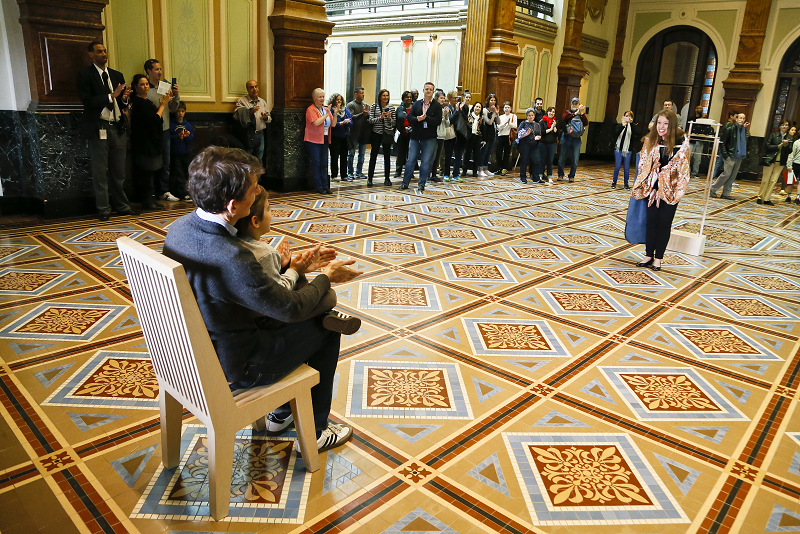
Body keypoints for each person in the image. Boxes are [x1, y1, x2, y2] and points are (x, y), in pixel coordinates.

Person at [163, 146, 362, 452]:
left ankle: (282, 413)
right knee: (327, 328)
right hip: (236, 368)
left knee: (310, 309)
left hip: (184, 357)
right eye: (253, 190)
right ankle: (317, 430)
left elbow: (244, 292)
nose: (258, 191)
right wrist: (326, 277)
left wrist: (291, 268)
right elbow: (289, 309)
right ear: (232, 206)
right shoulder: (231, 256)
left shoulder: (179, 229)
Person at [233, 187, 361, 334]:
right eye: (268, 209)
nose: (272, 214)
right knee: (328, 297)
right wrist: (294, 269)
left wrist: (286, 265)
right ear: (255, 221)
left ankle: (324, 317)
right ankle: (325, 316)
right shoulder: (264, 252)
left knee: (302, 282)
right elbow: (280, 295)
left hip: (253, 311)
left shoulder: (237, 243)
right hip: (268, 319)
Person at [76, 41, 137, 221]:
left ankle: (122, 206)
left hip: (117, 127)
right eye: (99, 51)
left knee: (119, 172)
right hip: (99, 128)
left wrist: (124, 99)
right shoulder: (85, 75)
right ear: (91, 54)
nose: (104, 54)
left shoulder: (116, 75)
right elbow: (87, 101)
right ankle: (104, 209)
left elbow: (121, 102)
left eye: (105, 51)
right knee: (100, 171)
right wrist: (111, 95)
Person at [632, 110, 690, 271]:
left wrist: (664, 187)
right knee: (651, 222)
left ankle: (658, 258)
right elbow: (644, 165)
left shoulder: (681, 143)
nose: (661, 127)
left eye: (665, 123)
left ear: (671, 125)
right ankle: (648, 254)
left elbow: (681, 171)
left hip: (670, 192)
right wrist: (651, 187)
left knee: (664, 224)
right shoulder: (651, 141)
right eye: (659, 123)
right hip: (652, 190)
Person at [130, 74, 171, 210]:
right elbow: (154, 120)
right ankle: (147, 200)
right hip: (144, 143)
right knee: (146, 173)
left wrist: (160, 106)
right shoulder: (138, 102)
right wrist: (162, 106)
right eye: (142, 84)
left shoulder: (146, 101)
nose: (145, 86)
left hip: (151, 142)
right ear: (135, 87)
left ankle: (151, 199)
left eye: (147, 84)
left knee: (151, 172)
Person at [144, 58, 181, 202]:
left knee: (166, 162)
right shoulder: (145, 87)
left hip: (165, 129)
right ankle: (151, 192)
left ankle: (164, 191)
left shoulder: (165, 85)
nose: (160, 72)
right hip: (150, 131)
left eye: (160, 69)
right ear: (149, 71)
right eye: (156, 69)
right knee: (152, 162)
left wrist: (176, 95)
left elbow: (173, 108)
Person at [401, 82, 442, 192]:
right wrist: (418, 119)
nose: (428, 91)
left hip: (429, 138)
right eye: (426, 89)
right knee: (410, 160)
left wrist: (426, 118)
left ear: (433, 92)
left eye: (430, 89)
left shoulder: (437, 106)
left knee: (425, 161)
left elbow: (438, 121)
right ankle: (405, 183)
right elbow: (410, 117)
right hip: (415, 137)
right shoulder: (417, 104)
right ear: (423, 90)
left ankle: (421, 184)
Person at [305, 88, 338, 194]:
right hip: (313, 139)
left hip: (324, 138)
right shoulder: (311, 109)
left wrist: (335, 114)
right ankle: (319, 186)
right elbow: (316, 123)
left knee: (324, 163)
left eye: (323, 96)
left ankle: (326, 186)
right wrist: (326, 115)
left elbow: (333, 124)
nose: (322, 99)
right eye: (320, 97)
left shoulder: (325, 109)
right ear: (314, 98)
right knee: (316, 163)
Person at [710, 112, 749, 200]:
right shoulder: (730, 128)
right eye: (740, 118)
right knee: (726, 174)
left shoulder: (743, 130)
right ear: (736, 119)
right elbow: (722, 142)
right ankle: (713, 189)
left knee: (733, 176)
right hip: (730, 155)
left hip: (739, 155)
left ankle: (726, 193)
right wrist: (725, 155)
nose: (741, 120)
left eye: (743, 118)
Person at [235, 80, 271, 163]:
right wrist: (250, 111)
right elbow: (236, 116)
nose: (254, 89)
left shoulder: (262, 102)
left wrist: (266, 118)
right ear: (247, 89)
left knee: (259, 159)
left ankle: (258, 176)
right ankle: (249, 176)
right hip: (249, 134)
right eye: (251, 87)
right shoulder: (242, 101)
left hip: (261, 134)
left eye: (256, 86)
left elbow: (269, 119)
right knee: (248, 159)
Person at [758, 120, 791, 206]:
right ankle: (760, 196)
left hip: (781, 162)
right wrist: (778, 146)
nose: (784, 126)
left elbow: (790, 150)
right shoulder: (773, 135)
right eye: (783, 124)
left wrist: (786, 145)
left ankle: (767, 198)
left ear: (788, 127)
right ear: (780, 126)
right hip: (770, 159)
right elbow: (767, 146)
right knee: (765, 179)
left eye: (786, 125)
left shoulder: (789, 137)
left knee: (773, 181)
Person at [367, 89, 395, 187]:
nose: (385, 97)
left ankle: (387, 178)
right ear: (379, 97)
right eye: (383, 95)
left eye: (387, 95)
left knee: (387, 157)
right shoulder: (374, 106)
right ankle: (370, 178)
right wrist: (380, 118)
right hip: (376, 134)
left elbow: (393, 123)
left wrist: (389, 118)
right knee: (373, 156)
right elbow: (370, 120)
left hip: (387, 134)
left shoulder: (391, 108)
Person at [558, 97, 588, 182]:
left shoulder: (582, 114)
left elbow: (586, 123)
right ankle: (560, 174)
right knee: (562, 157)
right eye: (573, 104)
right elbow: (565, 118)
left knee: (575, 159)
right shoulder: (567, 112)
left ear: (579, 104)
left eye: (576, 104)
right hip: (566, 137)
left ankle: (572, 176)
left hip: (576, 139)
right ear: (571, 105)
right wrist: (575, 113)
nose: (574, 105)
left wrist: (581, 113)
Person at [169, 101, 194, 202]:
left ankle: (188, 192)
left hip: (186, 152)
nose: (180, 113)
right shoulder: (171, 124)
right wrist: (178, 136)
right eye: (179, 111)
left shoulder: (187, 125)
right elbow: (169, 138)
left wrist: (187, 136)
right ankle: (182, 193)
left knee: (187, 173)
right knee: (178, 174)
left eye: (182, 111)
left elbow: (192, 138)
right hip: (175, 153)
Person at [346, 87, 370, 180]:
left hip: (363, 133)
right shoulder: (351, 105)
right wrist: (362, 114)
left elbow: (368, 118)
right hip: (353, 133)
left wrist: (368, 114)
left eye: (363, 93)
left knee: (362, 154)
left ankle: (359, 172)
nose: (363, 95)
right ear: (356, 94)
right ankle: (350, 172)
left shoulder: (365, 105)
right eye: (361, 93)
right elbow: (351, 118)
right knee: (351, 153)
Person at [327, 93, 352, 182]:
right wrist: (341, 123)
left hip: (344, 137)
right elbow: (331, 124)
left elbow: (351, 122)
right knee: (334, 156)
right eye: (337, 99)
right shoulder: (331, 111)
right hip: (334, 136)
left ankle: (344, 175)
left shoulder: (346, 111)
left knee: (344, 156)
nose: (339, 101)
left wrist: (347, 122)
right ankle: (334, 175)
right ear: (333, 101)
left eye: (340, 99)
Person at [433, 90, 455, 182]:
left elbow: (447, 124)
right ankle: (428, 174)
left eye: (444, 98)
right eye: (441, 98)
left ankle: (434, 174)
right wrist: (441, 118)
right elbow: (434, 121)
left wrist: (446, 115)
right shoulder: (433, 108)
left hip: (441, 134)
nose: (443, 100)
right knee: (432, 156)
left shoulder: (443, 110)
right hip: (433, 134)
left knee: (437, 156)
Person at [516, 107, 542, 184]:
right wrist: (525, 134)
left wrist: (538, 137)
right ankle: (523, 177)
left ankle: (536, 178)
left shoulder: (537, 124)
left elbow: (539, 134)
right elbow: (518, 134)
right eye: (529, 115)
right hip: (525, 145)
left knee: (536, 161)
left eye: (532, 115)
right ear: (527, 116)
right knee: (524, 161)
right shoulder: (523, 123)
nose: (531, 117)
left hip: (534, 145)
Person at [460, 101, 485, 179]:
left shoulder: (481, 119)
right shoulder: (469, 116)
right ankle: (464, 170)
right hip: (469, 137)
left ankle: (475, 171)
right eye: (476, 106)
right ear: (474, 107)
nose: (477, 108)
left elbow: (483, 130)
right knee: (467, 154)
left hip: (477, 137)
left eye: (479, 107)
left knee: (476, 155)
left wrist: (484, 139)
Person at [451, 90, 472, 182]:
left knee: (459, 154)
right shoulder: (457, 106)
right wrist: (458, 110)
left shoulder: (467, 107)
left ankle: (456, 173)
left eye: (469, 97)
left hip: (462, 133)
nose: (468, 99)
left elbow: (465, 118)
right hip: (454, 131)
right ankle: (447, 173)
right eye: (466, 97)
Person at [612, 111, 635, 189]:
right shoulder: (619, 126)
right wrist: (623, 125)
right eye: (626, 116)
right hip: (618, 149)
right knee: (617, 166)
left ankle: (626, 184)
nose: (627, 117)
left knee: (626, 167)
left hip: (628, 150)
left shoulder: (632, 127)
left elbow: (635, 135)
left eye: (629, 116)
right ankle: (614, 182)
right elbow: (615, 134)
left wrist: (631, 123)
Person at [478, 94, 499, 177]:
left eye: (494, 100)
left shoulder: (495, 110)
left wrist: (497, 113)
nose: (493, 102)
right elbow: (489, 122)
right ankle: (480, 169)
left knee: (488, 152)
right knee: (484, 152)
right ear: (488, 101)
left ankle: (486, 168)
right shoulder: (485, 110)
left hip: (492, 134)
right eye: (491, 100)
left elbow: (498, 122)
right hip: (485, 133)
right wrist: (494, 113)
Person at [394, 91, 413, 180]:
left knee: (410, 154)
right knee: (400, 153)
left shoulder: (414, 108)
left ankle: (410, 172)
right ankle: (398, 171)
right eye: (407, 97)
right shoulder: (400, 109)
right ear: (403, 98)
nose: (409, 98)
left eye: (410, 97)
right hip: (401, 134)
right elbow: (396, 120)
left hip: (412, 135)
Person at [495, 101, 517, 176]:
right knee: (498, 152)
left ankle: (504, 168)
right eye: (505, 107)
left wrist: (509, 123)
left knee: (506, 153)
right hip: (500, 135)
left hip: (508, 137)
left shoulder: (514, 116)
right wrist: (504, 125)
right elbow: (498, 127)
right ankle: (499, 168)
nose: (507, 109)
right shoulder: (501, 117)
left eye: (508, 107)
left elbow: (515, 126)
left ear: (511, 108)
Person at [538, 106, 558, 183]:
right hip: (543, 143)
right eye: (550, 111)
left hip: (552, 144)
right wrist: (550, 129)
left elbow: (557, 134)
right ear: (547, 112)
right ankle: (540, 175)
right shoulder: (542, 121)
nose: (551, 113)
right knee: (542, 160)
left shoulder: (555, 122)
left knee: (550, 161)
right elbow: (541, 132)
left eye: (553, 112)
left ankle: (549, 176)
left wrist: (555, 128)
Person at [785, 134, 800, 205]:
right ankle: (788, 196)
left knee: (799, 182)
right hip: (795, 163)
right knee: (791, 181)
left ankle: (798, 198)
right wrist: (789, 165)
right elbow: (791, 154)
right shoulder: (797, 143)